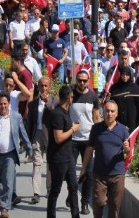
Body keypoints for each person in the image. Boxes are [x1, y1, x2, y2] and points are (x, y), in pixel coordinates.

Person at [0, 93, 33, 218]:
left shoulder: (16, 117)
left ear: (9, 104)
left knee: (8, 183)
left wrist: (29, 149)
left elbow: (23, 134)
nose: (3, 106)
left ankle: (5, 208)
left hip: (9, 155)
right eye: (0, 104)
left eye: (5, 104)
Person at [80, 100, 130, 218]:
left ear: (116, 114)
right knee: (99, 203)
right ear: (103, 112)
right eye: (107, 111)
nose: (109, 114)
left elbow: (128, 154)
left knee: (115, 206)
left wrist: (127, 149)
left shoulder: (123, 130)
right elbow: (89, 148)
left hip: (117, 174)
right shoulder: (96, 129)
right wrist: (83, 167)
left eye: (112, 111)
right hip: (100, 174)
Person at [47, 85, 81, 218]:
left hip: (69, 157)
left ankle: (75, 215)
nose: (73, 99)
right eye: (72, 96)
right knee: (55, 190)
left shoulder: (66, 112)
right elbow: (58, 138)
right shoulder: (57, 114)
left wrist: (72, 127)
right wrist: (73, 130)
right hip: (58, 159)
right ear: (68, 98)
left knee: (73, 187)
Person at [71, 70, 102, 215]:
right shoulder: (71, 94)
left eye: (84, 80)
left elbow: (96, 118)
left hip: (88, 140)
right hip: (72, 139)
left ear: (88, 81)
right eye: (79, 80)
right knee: (69, 172)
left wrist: (102, 134)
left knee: (88, 173)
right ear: (76, 80)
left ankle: (85, 203)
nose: (82, 83)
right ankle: (72, 196)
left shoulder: (93, 97)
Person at [26, 77, 57, 205]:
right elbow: (29, 123)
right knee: (37, 164)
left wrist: (47, 103)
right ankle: (36, 193)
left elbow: (56, 115)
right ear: (37, 87)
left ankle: (49, 189)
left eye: (45, 86)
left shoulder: (55, 101)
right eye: (41, 86)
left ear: (49, 87)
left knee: (50, 165)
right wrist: (27, 142)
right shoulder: (32, 104)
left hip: (50, 136)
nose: (43, 88)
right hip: (37, 135)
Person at [109, 66, 139, 133]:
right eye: (123, 74)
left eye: (127, 75)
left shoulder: (135, 88)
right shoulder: (115, 88)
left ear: (130, 75)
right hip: (118, 121)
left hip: (131, 121)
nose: (125, 77)